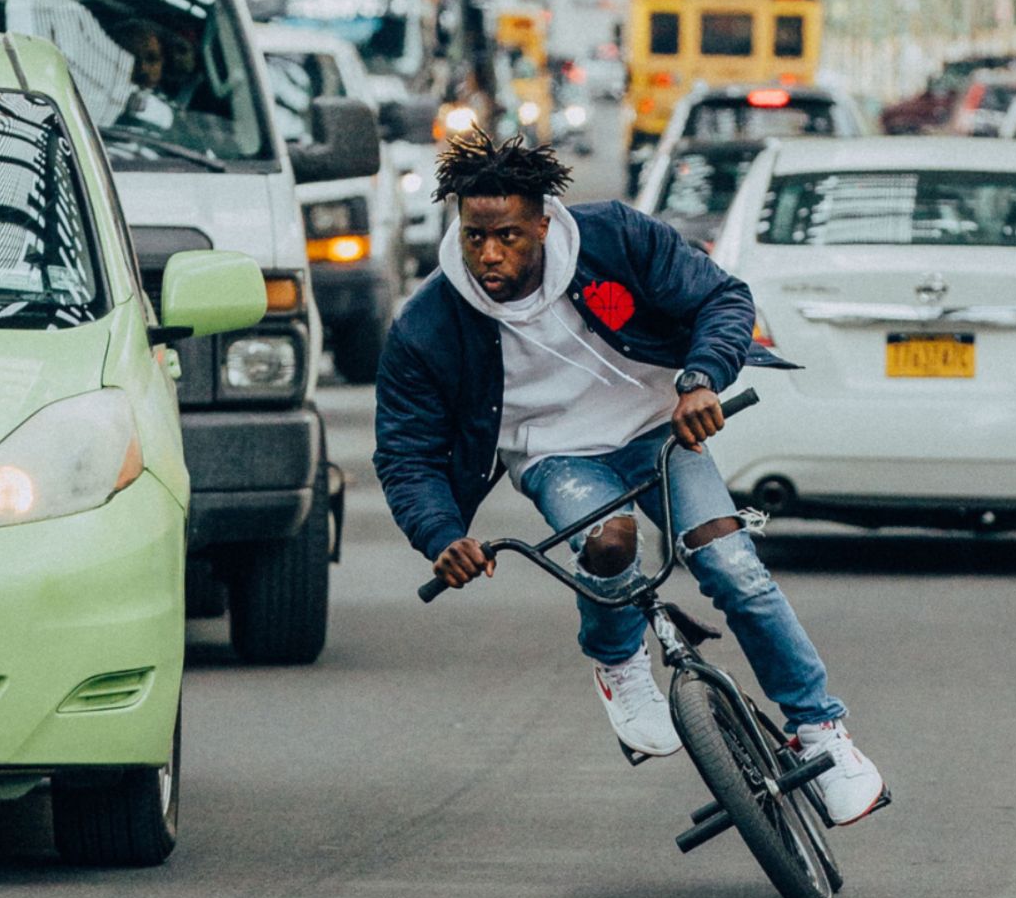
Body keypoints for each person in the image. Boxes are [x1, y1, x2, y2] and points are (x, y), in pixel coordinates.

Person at [371, 132, 889, 826]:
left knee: (736, 569)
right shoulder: (429, 323)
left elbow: (723, 300)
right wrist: (440, 533)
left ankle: (821, 729)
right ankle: (618, 662)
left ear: (545, 223)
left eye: (509, 236)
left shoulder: (614, 239)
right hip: (557, 457)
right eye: (475, 236)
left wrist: (702, 379)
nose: (490, 254)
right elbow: (407, 451)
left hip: (658, 431)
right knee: (609, 546)